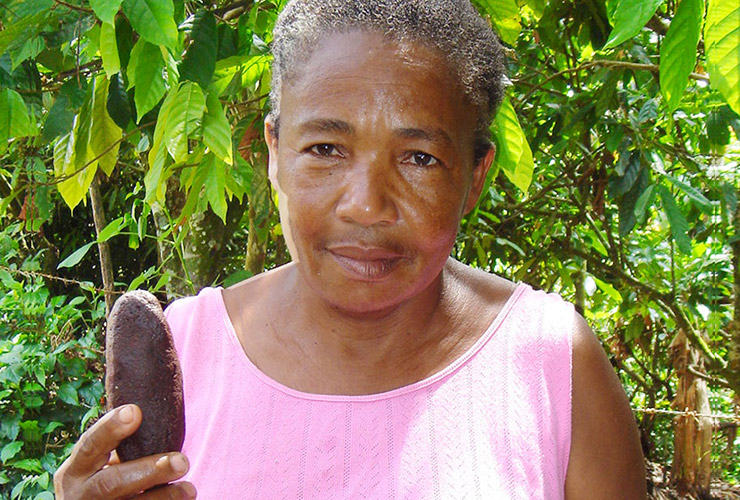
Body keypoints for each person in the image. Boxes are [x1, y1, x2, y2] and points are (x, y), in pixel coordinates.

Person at [54, 0, 647, 498]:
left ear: (475, 177)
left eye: (420, 158)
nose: (366, 206)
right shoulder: (181, 352)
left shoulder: (554, 365)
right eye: (325, 149)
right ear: (274, 152)